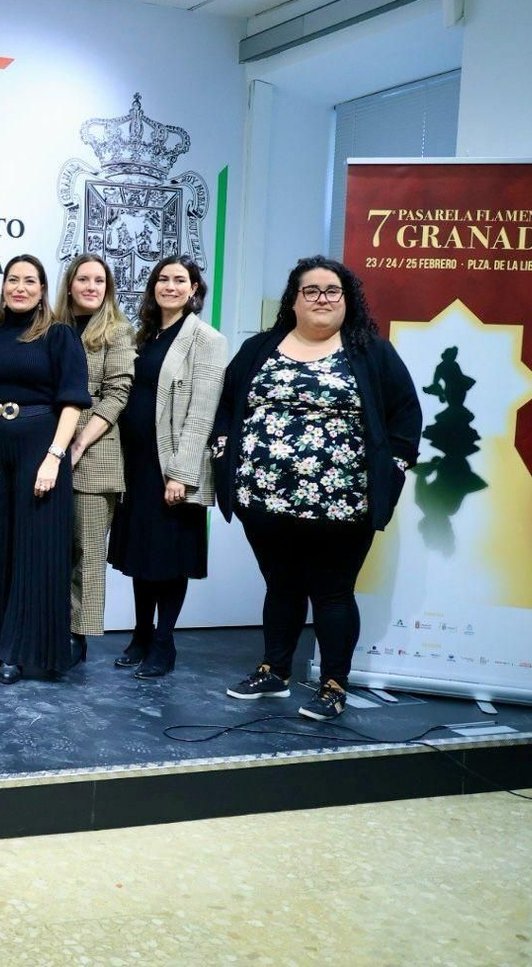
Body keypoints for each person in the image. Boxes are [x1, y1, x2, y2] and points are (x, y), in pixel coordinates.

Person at [217, 257, 422, 720]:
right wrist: (223, 449)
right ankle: (275, 671)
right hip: (263, 499)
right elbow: (228, 404)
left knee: (332, 594)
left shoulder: (372, 352)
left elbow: (406, 415)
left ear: (348, 300)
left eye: (333, 291)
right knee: (281, 587)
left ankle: (333, 685)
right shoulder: (259, 348)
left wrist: (393, 467)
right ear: (293, 300)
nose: (322, 299)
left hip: (343, 504)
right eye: (311, 290)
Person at [0, 255, 90, 684]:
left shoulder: (59, 336)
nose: (20, 287)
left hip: (40, 448)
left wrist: (54, 456)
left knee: (35, 552)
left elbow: (72, 403)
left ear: (42, 288)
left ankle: (19, 652)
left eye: (29, 281)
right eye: (13, 279)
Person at [107, 257, 226, 679]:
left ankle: (164, 642)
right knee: (142, 555)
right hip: (134, 465)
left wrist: (182, 473)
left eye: (180, 280)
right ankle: (140, 635)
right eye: (163, 279)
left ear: (194, 289)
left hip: (170, 468)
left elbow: (202, 413)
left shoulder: (206, 340)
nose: (170, 286)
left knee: (169, 558)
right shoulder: (144, 335)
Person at [53, 254, 135, 664]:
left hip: (95, 453)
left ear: (108, 288)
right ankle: (50, 624)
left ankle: (78, 635)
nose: (90, 286)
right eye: (82, 279)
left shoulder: (118, 332)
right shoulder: (51, 327)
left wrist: (79, 442)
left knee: (86, 552)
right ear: (69, 285)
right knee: (53, 548)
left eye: (99, 280)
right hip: (50, 450)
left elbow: (117, 394)